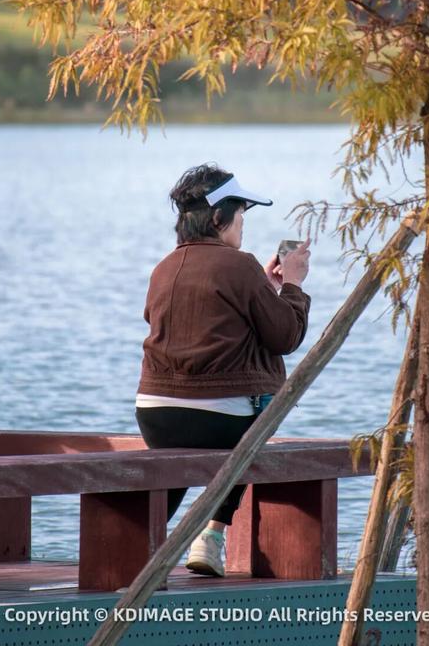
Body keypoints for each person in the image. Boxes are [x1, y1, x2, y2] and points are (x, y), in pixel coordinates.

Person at [135, 163, 311, 577]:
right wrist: (294, 285)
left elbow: (207, 320)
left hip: (155, 415)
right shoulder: (240, 263)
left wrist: (264, 290)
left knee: (178, 459)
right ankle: (211, 536)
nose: (243, 226)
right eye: (241, 215)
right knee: (259, 422)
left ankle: (142, 538)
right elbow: (285, 336)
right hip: (222, 419)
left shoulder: (164, 267)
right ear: (219, 218)